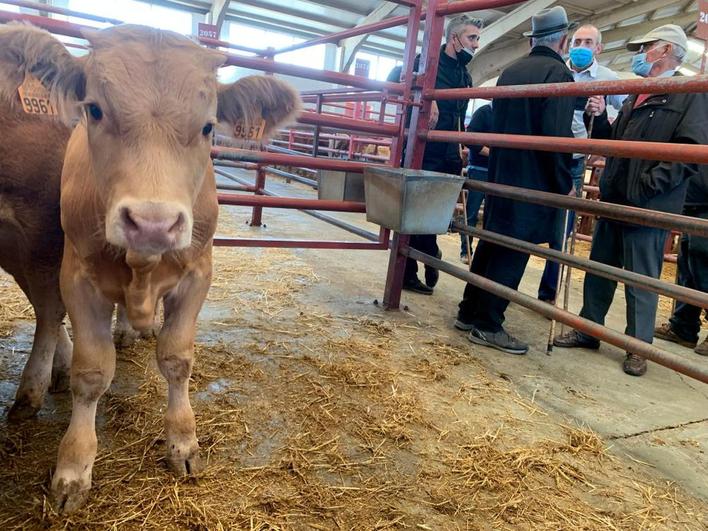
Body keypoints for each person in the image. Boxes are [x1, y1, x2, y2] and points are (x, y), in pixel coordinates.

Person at [554, 24, 708, 376]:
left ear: (667, 51)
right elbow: (618, 139)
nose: (639, 53)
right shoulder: (638, 91)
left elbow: (691, 151)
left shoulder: (688, 92)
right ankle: (588, 329)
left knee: (641, 278)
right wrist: (601, 120)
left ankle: (638, 346)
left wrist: (649, 185)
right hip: (616, 196)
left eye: (647, 47)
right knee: (600, 268)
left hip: (650, 204)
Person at [455, 6, 576, 354]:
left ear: (533, 39)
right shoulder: (557, 74)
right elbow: (555, 136)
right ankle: (489, 324)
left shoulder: (511, 71)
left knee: (493, 241)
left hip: (502, 174)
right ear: (563, 40)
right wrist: (564, 179)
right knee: (515, 248)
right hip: (533, 180)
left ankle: (469, 310)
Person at [387, 14, 482, 295]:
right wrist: (423, 97)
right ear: (454, 39)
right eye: (472, 38)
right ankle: (417, 265)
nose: (476, 45)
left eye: (477, 39)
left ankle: (428, 254)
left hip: (450, 153)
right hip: (423, 150)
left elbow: (461, 114)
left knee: (435, 213)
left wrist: (460, 144)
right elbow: (395, 82)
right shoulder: (424, 62)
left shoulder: (465, 74)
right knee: (416, 210)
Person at [537, 24, 627, 303]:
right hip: (546, 155)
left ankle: (548, 292)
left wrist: (603, 112)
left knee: (561, 230)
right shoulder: (558, 71)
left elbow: (626, 113)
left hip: (574, 159)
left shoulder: (608, 78)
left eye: (588, 42)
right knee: (532, 213)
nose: (580, 47)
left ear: (598, 48)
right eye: (577, 41)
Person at [654, 172, 708, 356]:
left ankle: (684, 325)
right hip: (693, 202)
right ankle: (683, 326)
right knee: (688, 266)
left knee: (703, 266)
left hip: (703, 202)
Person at [460, 102, 492, 263]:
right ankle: (466, 250)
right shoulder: (484, 112)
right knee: (471, 213)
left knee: (492, 215)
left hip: (497, 171)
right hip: (479, 168)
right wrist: (492, 153)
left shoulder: (507, 115)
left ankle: (484, 255)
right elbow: (470, 139)